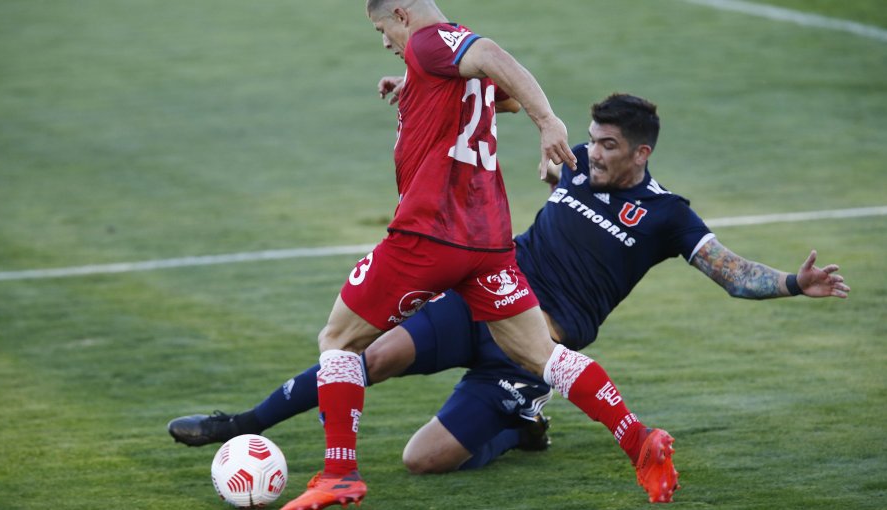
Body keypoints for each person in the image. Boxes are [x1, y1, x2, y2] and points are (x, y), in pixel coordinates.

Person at [170, 89, 850, 503]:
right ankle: (242, 424)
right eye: (592, 140)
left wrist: (794, 282)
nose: (593, 154)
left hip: (531, 347)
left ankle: (521, 419)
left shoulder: (669, 215)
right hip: (479, 297)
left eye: (609, 146)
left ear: (642, 153)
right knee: (368, 356)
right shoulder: (576, 164)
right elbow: (505, 106)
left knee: (421, 462)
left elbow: (730, 272)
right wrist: (414, 92)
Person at [255, 0, 681, 507]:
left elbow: (496, 57)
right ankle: (638, 441)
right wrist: (413, 89)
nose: (387, 42)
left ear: (402, 12)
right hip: (488, 243)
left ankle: (339, 473)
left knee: (338, 339)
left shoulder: (429, 40)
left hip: (430, 232)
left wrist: (549, 121)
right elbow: (501, 98)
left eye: (382, 28)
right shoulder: (438, 57)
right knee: (541, 355)